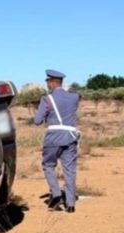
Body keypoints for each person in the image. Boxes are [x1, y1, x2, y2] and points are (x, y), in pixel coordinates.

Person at [34, 69, 80, 213]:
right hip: (71, 137)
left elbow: (37, 121)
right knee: (70, 170)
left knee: (48, 165)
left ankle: (56, 193)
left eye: (48, 81)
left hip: (53, 138)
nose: (47, 84)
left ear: (53, 82)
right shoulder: (74, 97)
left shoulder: (47, 99)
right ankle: (71, 204)